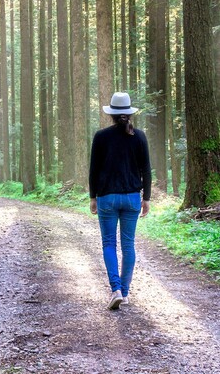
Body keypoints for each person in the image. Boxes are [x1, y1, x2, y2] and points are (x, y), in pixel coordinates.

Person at [89, 92, 151, 310]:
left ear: (112, 114)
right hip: (132, 197)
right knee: (128, 245)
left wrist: (92, 197)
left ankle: (115, 289)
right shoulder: (140, 136)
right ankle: (124, 293)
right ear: (129, 113)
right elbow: (146, 170)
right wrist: (147, 198)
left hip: (107, 197)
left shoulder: (101, 136)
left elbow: (94, 170)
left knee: (108, 244)